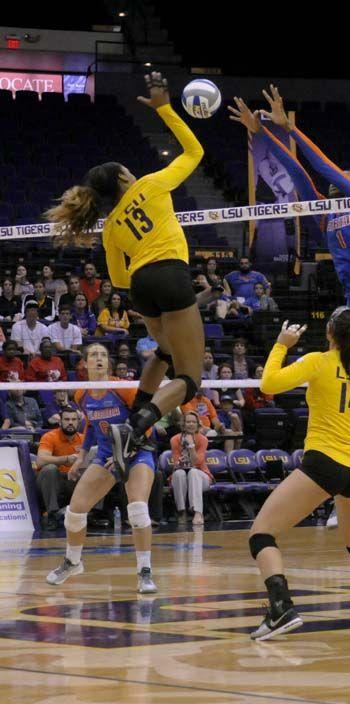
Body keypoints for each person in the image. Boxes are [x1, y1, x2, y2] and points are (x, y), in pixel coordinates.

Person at [230, 87, 350, 523]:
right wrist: (261, 135)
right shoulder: (325, 214)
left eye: (342, 180)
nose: (332, 184)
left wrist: (292, 128)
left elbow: (321, 165)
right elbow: (296, 171)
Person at [46, 70, 205, 482]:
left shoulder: (112, 224)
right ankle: (135, 426)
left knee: (166, 353)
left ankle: (135, 415)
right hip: (170, 272)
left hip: (141, 286)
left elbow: (118, 279)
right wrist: (165, 108)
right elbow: (194, 153)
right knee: (190, 378)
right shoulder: (151, 185)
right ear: (122, 178)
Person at [248, 309, 350, 641]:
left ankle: (281, 610)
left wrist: (281, 344)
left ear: (329, 332)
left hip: (323, 463)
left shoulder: (318, 362)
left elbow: (268, 384)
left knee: (261, 534)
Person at [45, 343, 158, 593]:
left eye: (104, 355)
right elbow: (92, 428)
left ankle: (145, 572)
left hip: (137, 453)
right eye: (94, 355)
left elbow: (146, 426)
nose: (99, 359)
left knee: (137, 509)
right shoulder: (81, 394)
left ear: (108, 363)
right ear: (84, 363)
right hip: (106, 455)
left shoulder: (123, 388)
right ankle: (73, 562)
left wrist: (124, 454)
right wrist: (82, 455)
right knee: (75, 512)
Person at [36, 408, 84, 530]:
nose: (70, 423)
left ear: (78, 422)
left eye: (74, 419)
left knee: (95, 470)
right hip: (53, 482)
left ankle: (94, 513)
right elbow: (40, 460)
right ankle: (51, 514)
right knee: (50, 469)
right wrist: (66, 459)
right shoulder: (49, 437)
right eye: (67, 419)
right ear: (60, 422)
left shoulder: (83, 439)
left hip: (73, 479)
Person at [170, 411, 213, 526]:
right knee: (179, 473)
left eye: (193, 422)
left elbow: (197, 462)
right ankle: (181, 511)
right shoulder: (174, 439)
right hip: (181, 476)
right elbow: (177, 463)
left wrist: (191, 446)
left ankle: (198, 512)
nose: (191, 424)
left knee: (193, 472)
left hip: (201, 476)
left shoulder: (203, 439)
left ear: (198, 424)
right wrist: (185, 463)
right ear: (183, 424)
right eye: (188, 422)